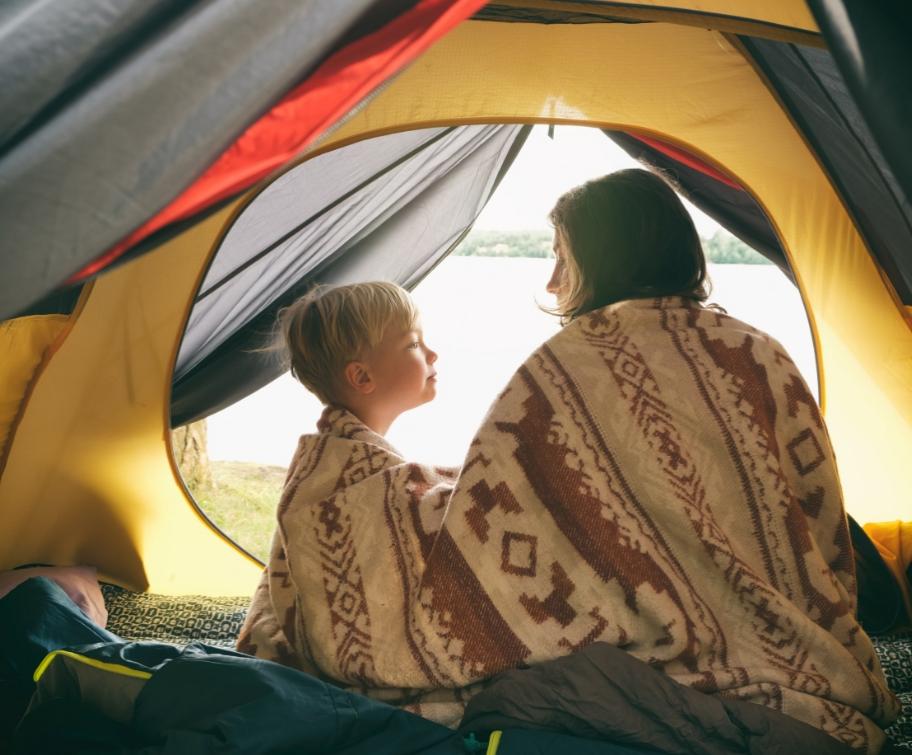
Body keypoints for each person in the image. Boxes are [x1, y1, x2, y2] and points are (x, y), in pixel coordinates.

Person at [241, 171, 899, 753]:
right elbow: (815, 522)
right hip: (808, 663)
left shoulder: (570, 366)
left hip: (689, 659)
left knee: (495, 671)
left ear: (603, 256)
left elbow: (504, 519)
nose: (552, 280)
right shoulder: (761, 352)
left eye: (561, 256)